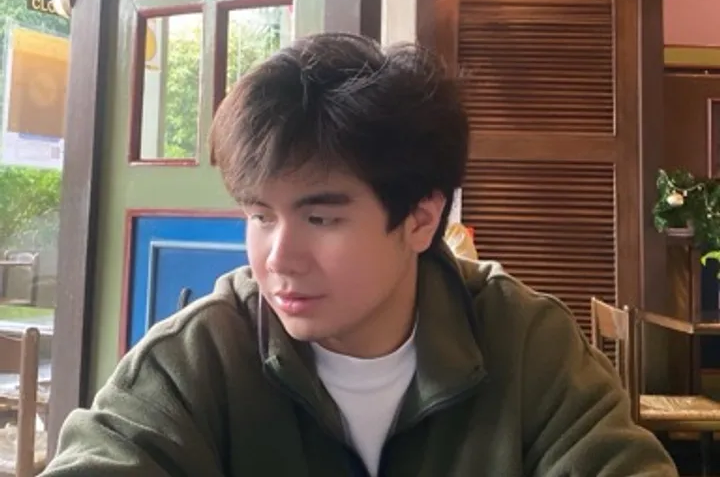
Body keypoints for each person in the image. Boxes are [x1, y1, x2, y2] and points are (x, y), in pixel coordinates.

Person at [44, 33, 678, 476]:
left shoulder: (526, 344)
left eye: (321, 218)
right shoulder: (200, 358)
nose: (279, 258)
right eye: (260, 216)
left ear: (420, 219)